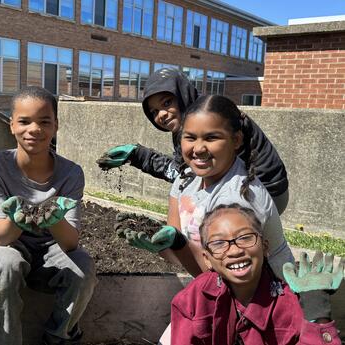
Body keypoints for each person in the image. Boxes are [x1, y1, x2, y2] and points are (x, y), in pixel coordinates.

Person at [120, 95, 294, 280]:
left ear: (236, 140)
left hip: (262, 297)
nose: (199, 148)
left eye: (211, 137)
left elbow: (227, 280)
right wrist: (162, 242)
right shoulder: (186, 178)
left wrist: (177, 244)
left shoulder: (238, 201)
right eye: (190, 137)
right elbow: (179, 248)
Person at [0, 86, 97, 345]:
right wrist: (22, 217)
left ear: (56, 126)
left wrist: (53, 219)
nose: (34, 129)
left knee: (83, 266)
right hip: (10, 245)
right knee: (2, 263)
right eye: (24, 121)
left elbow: (70, 243)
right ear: (11, 125)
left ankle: (58, 335)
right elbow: (0, 236)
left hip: (52, 248)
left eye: (44, 121)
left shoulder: (71, 173)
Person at [97, 68, 289, 215]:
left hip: (263, 191)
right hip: (238, 187)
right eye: (154, 112)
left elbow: (193, 176)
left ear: (182, 94)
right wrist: (138, 156)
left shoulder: (207, 115)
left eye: (166, 103)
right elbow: (183, 172)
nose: (161, 114)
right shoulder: (184, 124)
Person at [171, 203, 343, 344]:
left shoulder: (289, 304)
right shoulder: (193, 298)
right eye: (219, 243)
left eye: (245, 237)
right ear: (207, 259)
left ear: (265, 247)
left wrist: (317, 310)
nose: (234, 250)